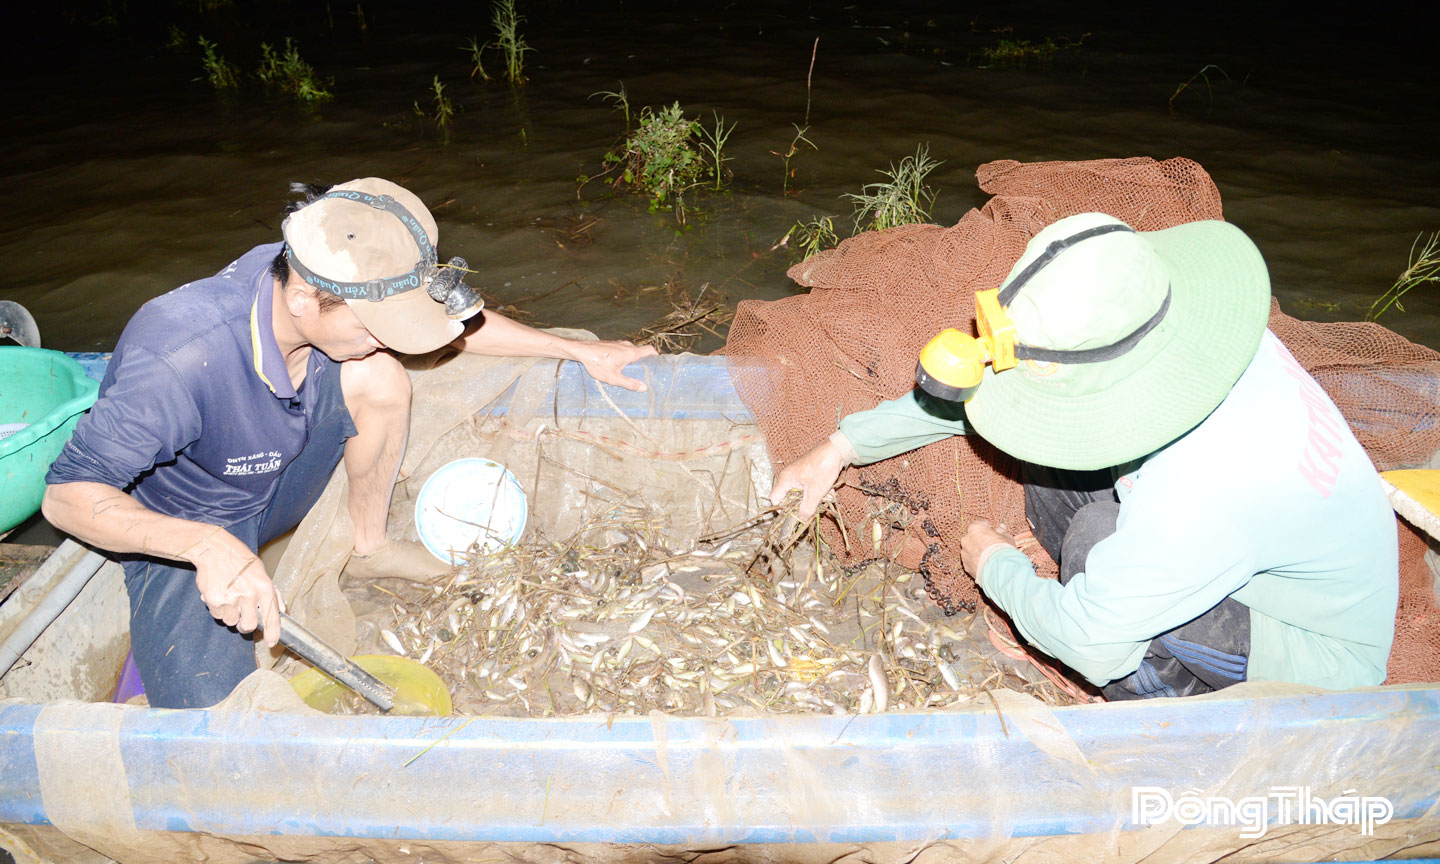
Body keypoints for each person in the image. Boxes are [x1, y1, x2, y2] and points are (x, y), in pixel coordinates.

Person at [43, 178, 657, 709]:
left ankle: (369, 546)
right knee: (215, 719)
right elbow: (66, 498)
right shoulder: (177, 355)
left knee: (380, 374)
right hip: (191, 522)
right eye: (375, 326)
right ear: (306, 299)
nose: (387, 336)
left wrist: (576, 349)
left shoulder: (328, 264)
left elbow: (455, 330)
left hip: (279, 469)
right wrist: (203, 546)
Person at [772, 212, 1398, 699]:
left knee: (1098, 544)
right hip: (1249, 540)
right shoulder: (1177, 326)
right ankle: (1112, 588)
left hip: (1313, 649)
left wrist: (996, 566)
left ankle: (1160, 696)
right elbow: (985, 388)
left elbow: (1092, 644)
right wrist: (839, 447)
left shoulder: (1197, 497)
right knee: (1047, 474)